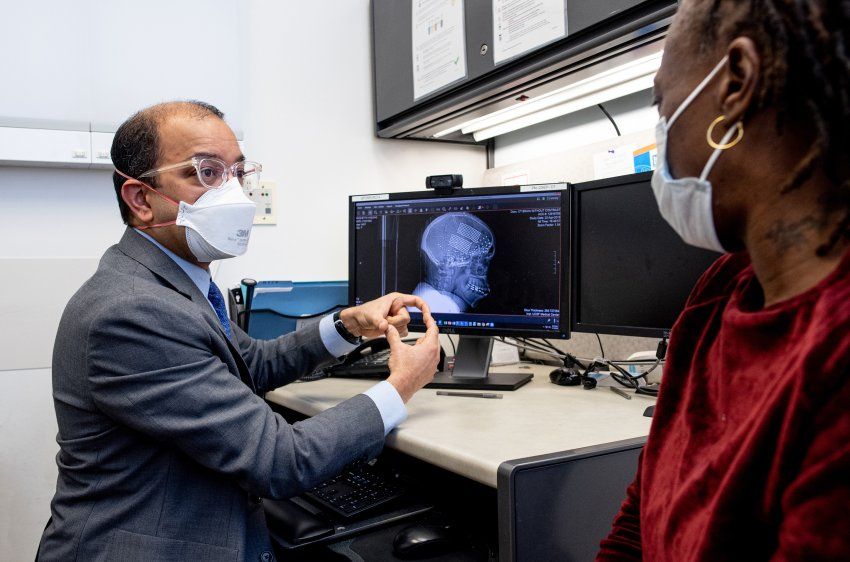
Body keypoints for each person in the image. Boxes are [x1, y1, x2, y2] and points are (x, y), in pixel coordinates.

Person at [37, 101, 441, 561]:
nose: (234, 195)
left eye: (237, 173)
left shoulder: (176, 280)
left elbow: (250, 364)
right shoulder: (133, 311)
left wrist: (347, 325)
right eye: (206, 173)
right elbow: (279, 460)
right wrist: (401, 385)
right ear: (140, 199)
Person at [597, 0, 850, 560]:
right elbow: (640, 523)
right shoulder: (722, 288)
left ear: (735, 82)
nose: (662, 132)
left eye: (662, 104)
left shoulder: (835, 359)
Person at [412, 212, 495, 313]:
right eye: (478, 267)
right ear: (451, 266)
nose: (483, 276)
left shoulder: (428, 299)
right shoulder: (438, 306)